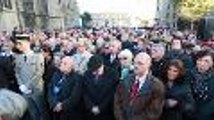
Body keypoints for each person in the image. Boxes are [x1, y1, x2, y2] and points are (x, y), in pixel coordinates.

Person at [114, 52, 165, 120]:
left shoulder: (157, 85)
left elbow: (154, 111)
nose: (136, 66)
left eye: (140, 63)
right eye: (135, 62)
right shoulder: (126, 80)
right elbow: (117, 101)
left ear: (148, 65)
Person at [14, 33, 45, 120]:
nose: (18, 46)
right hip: (24, 90)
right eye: (17, 44)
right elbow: (17, 72)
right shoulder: (18, 57)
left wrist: (27, 86)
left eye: (20, 43)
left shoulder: (37, 55)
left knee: (42, 112)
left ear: (27, 43)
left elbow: (39, 72)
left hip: (36, 89)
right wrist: (21, 85)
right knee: (32, 113)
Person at [82, 55, 118, 120]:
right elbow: (85, 92)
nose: (95, 72)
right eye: (93, 70)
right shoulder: (87, 74)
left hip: (106, 112)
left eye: (97, 69)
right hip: (90, 111)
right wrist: (91, 106)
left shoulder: (113, 74)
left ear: (102, 65)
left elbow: (111, 93)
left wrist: (100, 107)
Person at [189, 49, 214, 120]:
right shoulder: (187, 75)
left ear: (212, 63)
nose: (202, 63)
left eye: (206, 61)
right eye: (200, 60)